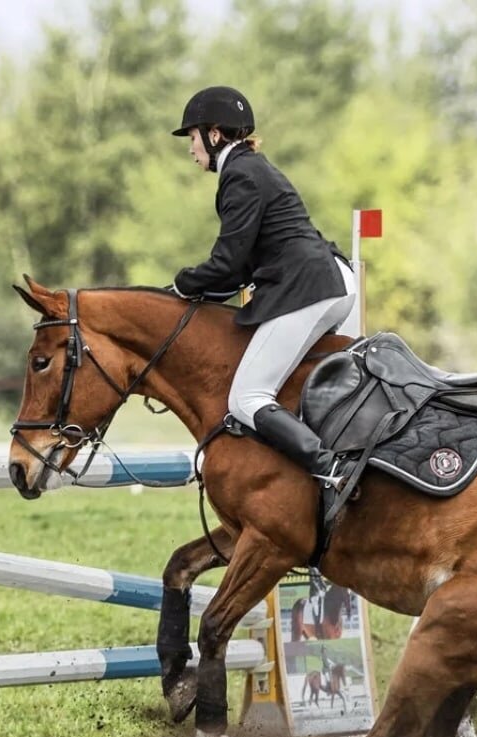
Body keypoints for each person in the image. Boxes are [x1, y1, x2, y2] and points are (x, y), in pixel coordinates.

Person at [170, 86, 357, 491]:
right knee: (282, 387)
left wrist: (179, 285)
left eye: (192, 137)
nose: (190, 148)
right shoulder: (253, 168)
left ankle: (334, 471)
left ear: (214, 134)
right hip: (326, 283)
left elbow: (227, 263)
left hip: (309, 289)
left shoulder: (239, 174)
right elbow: (239, 270)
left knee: (247, 398)